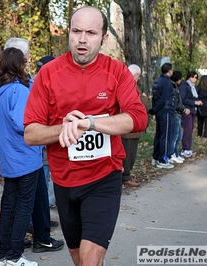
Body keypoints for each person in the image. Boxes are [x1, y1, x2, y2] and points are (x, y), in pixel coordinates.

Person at [23, 6, 148, 266]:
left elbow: (138, 119)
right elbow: (31, 134)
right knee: (81, 260)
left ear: (103, 38)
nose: (82, 39)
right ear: (68, 33)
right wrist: (64, 128)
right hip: (64, 181)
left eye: (91, 33)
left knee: (90, 262)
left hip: (104, 177)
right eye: (76, 31)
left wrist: (91, 123)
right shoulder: (48, 73)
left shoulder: (117, 71)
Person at [4, 38, 64, 253]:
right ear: (19, 57)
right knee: (29, 200)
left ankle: (22, 239)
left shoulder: (6, 84)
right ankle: (31, 241)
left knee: (22, 199)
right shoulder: (18, 87)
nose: (29, 58)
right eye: (27, 55)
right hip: (26, 151)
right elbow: (25, 122)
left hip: (17, 152)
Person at [0, 47, 40, 266]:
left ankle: (3, 254)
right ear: (19, 65)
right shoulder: (18, 91)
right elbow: (23, 123)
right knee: (23, 207)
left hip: (6, 157)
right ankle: (15, 257)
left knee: (8, 206)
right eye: (24, 62)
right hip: (25, 156)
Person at [121, 64, 149, 187]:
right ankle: (125, 176)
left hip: (121, 125)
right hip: (130, 127)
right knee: (129, 153)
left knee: (123, 152)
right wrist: (145, 99)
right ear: (137, 75)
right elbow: (139, 105)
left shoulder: (121, 84)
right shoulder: (132, 87)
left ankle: (123, 175)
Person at [36, 55, 57, 206]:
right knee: (46, 168)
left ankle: (48, 202)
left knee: (50, 168)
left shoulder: (36, 83)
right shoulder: (39, 85)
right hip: (44, 137)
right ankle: (46, 203)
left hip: (52, 135)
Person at [149, 62, 176, 169]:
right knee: (165, 135)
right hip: (166, 111)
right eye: (172, 69)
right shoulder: (166, 82)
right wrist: (155, 109)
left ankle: (155, 157)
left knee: (159, 134)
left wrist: (155, 109)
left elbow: (155, 97)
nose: (172, 71)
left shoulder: (157, 80)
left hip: (159, 111)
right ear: (169, 71)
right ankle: (162, 159)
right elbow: (164, 98)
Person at [168, 70, 189, 164]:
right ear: (178, 79)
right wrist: (183, 109)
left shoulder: (176, 87)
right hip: (175, 113)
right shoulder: (173, 87)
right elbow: (175, 103)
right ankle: (171, 154)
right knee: (175, 135)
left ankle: (176, 153)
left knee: (179, 135)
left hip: (178, 114)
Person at [180, 71, 203, 157]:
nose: (195, 79)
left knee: (191, 129)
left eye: (196, 77)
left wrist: (198, 102)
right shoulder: (184, 86)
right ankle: (185, 148)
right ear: (189, 77)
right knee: (187, 128)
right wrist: (194, 102)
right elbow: (183, 98)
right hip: (187, 109)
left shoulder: (194, 87)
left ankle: (188, 148)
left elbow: (195, 97)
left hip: (193, 110)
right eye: (193, 77)